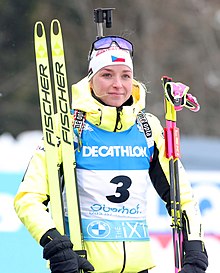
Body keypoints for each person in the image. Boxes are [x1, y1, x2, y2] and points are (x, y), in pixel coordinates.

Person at [14, 35, 208, 273]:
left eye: (125, 75)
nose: (118, 84)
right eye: (107, 75)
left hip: (138, 268)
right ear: (91, 79)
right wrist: (56, 245)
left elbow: (182, 196)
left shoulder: (148, 128)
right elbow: (28, 199)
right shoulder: (66, 127)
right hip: (81, 265)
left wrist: (196, 249)